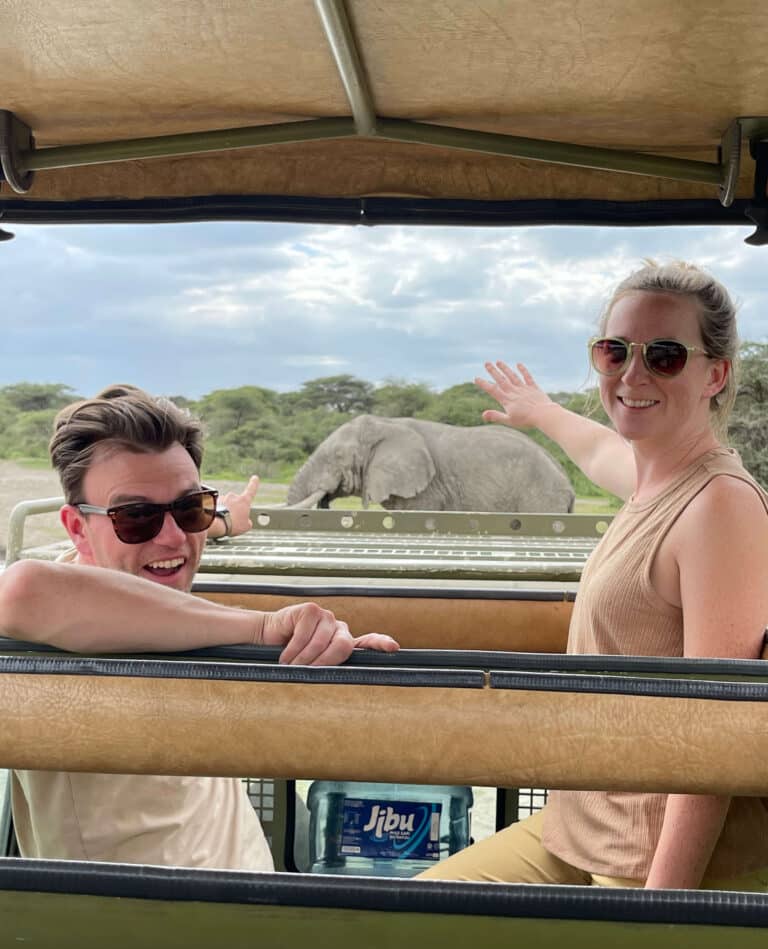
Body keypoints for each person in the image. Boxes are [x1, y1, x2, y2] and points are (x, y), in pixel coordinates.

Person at [419, 259, 768, 891]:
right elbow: (601, 450)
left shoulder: (720, 506)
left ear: (715, 374)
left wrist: (663, 909)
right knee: (405, 921)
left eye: (663, 356)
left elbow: (718, 723)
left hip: (645, 858)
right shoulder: (655, 476)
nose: (631, 375)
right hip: (580, 825)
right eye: (614, 352)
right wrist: (543, 412)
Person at [1, 384, 398, 871]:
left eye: (190, 507)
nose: (172, 537)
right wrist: (263, 628)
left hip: (247, 895)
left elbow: (167, 539)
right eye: (136, 516)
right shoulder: (54, 620)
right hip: (159, 927)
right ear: (77, 528)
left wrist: (223, 521)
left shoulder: (147, 573)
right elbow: (20, 591)